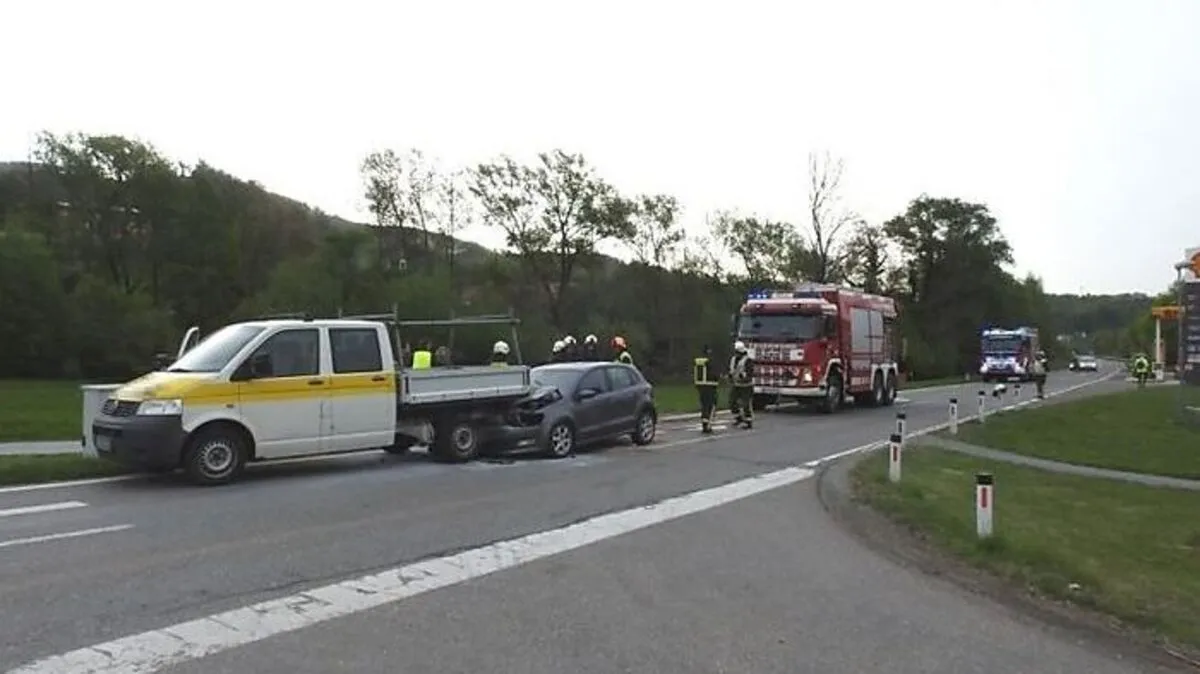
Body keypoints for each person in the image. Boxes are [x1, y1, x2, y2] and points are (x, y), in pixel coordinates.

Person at [694, 344, 720, 434]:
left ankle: (704, 424)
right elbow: (714, 374)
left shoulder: (698, 361)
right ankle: (708, 426)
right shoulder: (710, 361)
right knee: (711, 406)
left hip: (700, 386)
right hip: (710, 386)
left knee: (704, 406)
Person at [728, 340, 754, 429]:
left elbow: (750, 373)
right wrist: (729, 377)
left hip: (746, 386)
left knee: (746, 404)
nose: (735, 353)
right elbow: (731, 371)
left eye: (736, 351)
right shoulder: (733, 359)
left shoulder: (748, 360)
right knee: (732, 402)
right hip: (736, 385)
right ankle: (738, 418)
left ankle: (748, 421)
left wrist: (743, 377)